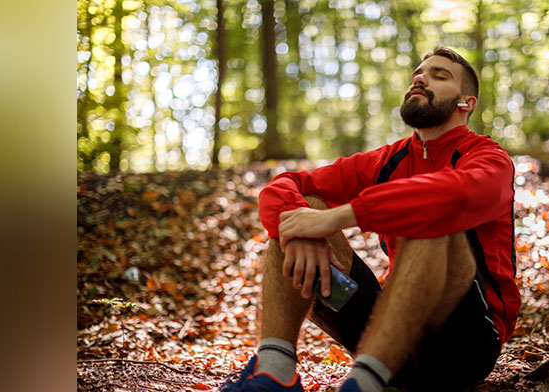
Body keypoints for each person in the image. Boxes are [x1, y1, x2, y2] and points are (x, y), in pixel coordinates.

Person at [221, 46, 520, 392]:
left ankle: (365, 382)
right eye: (418, 75)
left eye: (439, 76)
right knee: (302, 209)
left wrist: (340, 217)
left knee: (432, 217)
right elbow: (288, 184)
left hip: (464, 345)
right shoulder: (389, 160)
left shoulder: (487, 156)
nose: (421, 79)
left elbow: (460, 194)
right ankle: (275, 372)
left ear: (466, 103)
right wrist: (299, 224)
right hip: (388, 337)